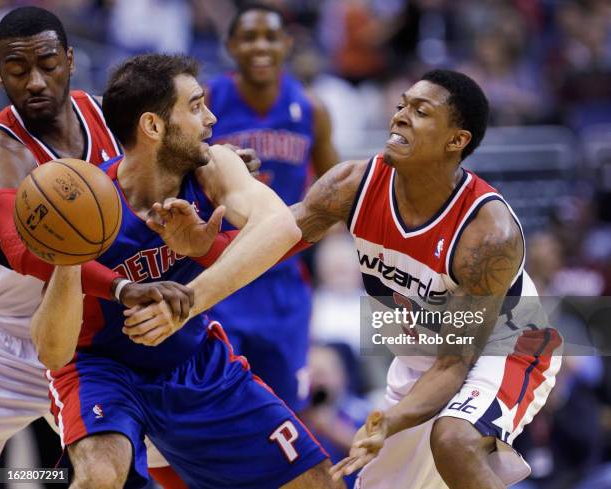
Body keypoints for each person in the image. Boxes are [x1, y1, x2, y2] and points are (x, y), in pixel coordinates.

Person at [146, 69, 563, 489]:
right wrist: (197, 266)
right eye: (401, 105)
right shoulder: (352, 184)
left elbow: (454, 366)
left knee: (454, 440)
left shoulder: (487, 233)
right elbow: (270, 242)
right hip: (422, 354)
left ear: (457, 140)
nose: (399, 116)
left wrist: (390, 422)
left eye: (420, 111)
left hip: (504, 347)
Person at [33, 52, 342, 489]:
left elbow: (277, 223)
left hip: (192, 361)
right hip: (104, 368)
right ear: (153, 127)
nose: (212, 118)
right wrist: (67, 261)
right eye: (196, 106)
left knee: (316, 481)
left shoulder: (214, 166)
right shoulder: (81, 204)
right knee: (98, 480)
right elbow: (52, 353)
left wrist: (189, 301)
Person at [0, 7, 231, 488]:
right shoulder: (4, 152)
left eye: (47, 64)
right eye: (18, 71)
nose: (35, 82)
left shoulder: (110, 112)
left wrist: (217, 167)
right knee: (27, 474)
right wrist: (123, 287)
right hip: (17, 343)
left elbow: (179, 149)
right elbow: (40, 257)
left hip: (100, 344)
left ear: (69, 59)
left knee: (173, 468)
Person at [206, 2, 339, 412]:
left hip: (283, 279)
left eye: (270, 37)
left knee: (283, 409)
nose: (260, 46)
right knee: (220, 402)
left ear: (286, 44)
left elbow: (337, 185)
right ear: (230, 45)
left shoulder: (311, 109)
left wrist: (325, 230)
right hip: (222, 272)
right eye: (248, 37)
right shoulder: (208, 99)